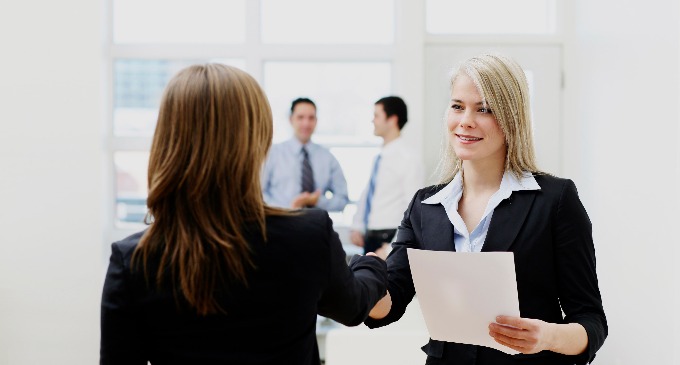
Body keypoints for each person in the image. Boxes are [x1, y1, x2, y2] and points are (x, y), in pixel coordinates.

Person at [100, 64, 387, 365]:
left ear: (167, 141)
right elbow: (353, 305)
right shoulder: (308, 235)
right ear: (257, 141)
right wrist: (373, 264)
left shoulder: (133, 259)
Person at [365, 54, 607, 364]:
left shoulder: (555, 200)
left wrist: (547, 336)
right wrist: (366, 282)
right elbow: (390, 302)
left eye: (484, 109)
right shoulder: (425, 207)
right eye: (457, 106)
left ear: (511, 118)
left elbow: (591, 321)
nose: (465, 120)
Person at [350, 96, 424, 255]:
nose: (372, 121)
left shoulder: (407, 158)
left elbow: (413, 210)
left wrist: (392, 247)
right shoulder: (380, 157)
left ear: (392, 120)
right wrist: (358, 225)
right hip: (371, 236)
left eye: (376, 116)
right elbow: (370, 193)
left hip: (388, 239)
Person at [261, 98, 349, 211]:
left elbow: (342, 199)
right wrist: (288, 210)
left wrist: (317, 201)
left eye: (311, 118)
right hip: (280, 222)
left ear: (316, 121)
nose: (306, 124)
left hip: (315, 224)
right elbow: (259, 194)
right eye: (300, 117)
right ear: (291, 119)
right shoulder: (272, 154)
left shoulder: (327, 158)